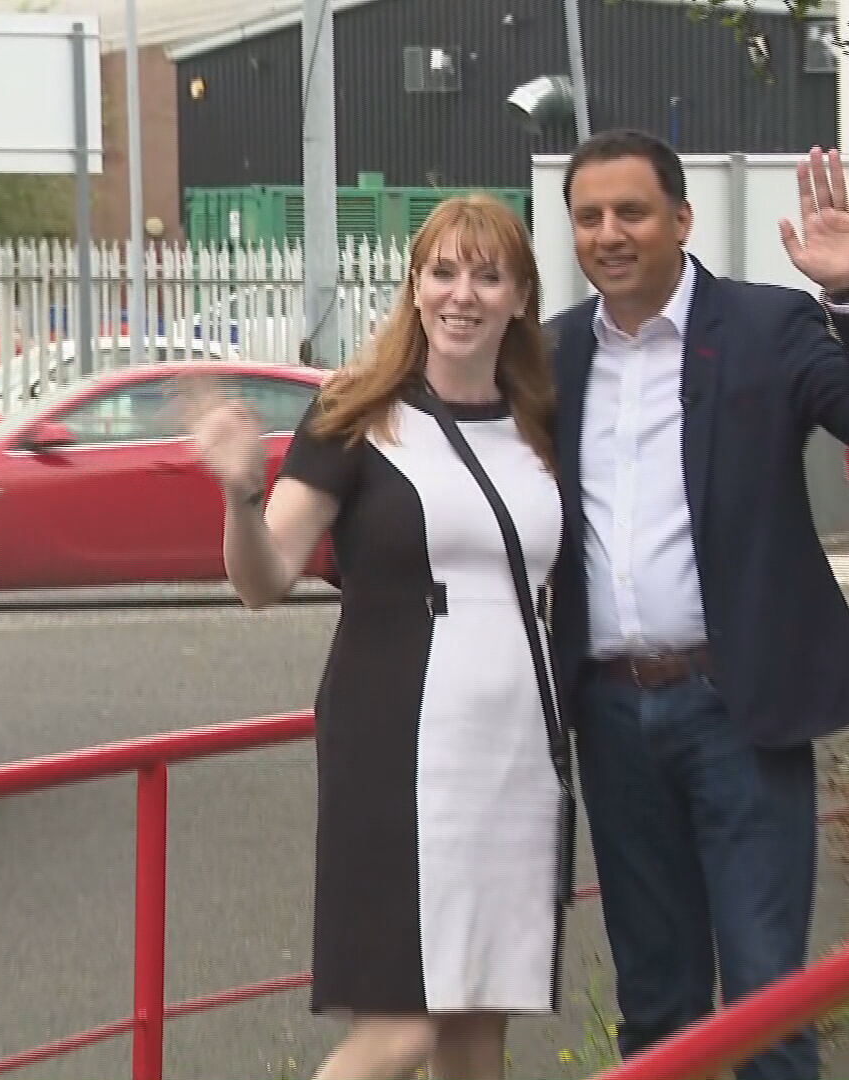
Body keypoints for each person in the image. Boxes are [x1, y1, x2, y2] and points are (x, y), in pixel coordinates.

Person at [545, 131, 849, 1080]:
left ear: (681, 219)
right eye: (589, 217)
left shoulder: (768, 326)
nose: (610, 234)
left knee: (767, 998)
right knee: (657, 1004)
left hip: (739, 708)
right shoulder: (549, 355)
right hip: (610, 715)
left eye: (631, 212)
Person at [182, 193, 568, 1080]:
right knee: (405, 1026)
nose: (461, 294)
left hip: (520, 753)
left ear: (519, 298)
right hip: (399, 745)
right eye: (442, 271)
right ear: (415, 288)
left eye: (486, 274)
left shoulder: (542, 422)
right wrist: (240, 491)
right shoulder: (356, 416)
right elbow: (264, 579)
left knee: (478, 1024)